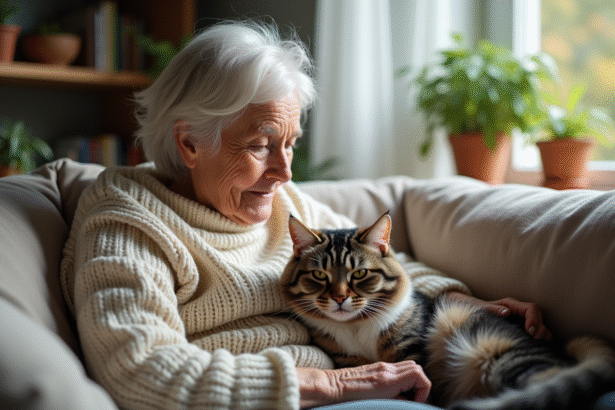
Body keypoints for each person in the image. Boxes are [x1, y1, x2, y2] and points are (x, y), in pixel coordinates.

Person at [60, 20, 551, 410]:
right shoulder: (128, 220)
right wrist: (333, 384)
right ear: (189, 143)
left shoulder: (280, 202)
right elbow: (142, 373)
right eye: (261, 145)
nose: (283, 171)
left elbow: (377, 259)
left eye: (290, 143)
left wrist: (468, 301)